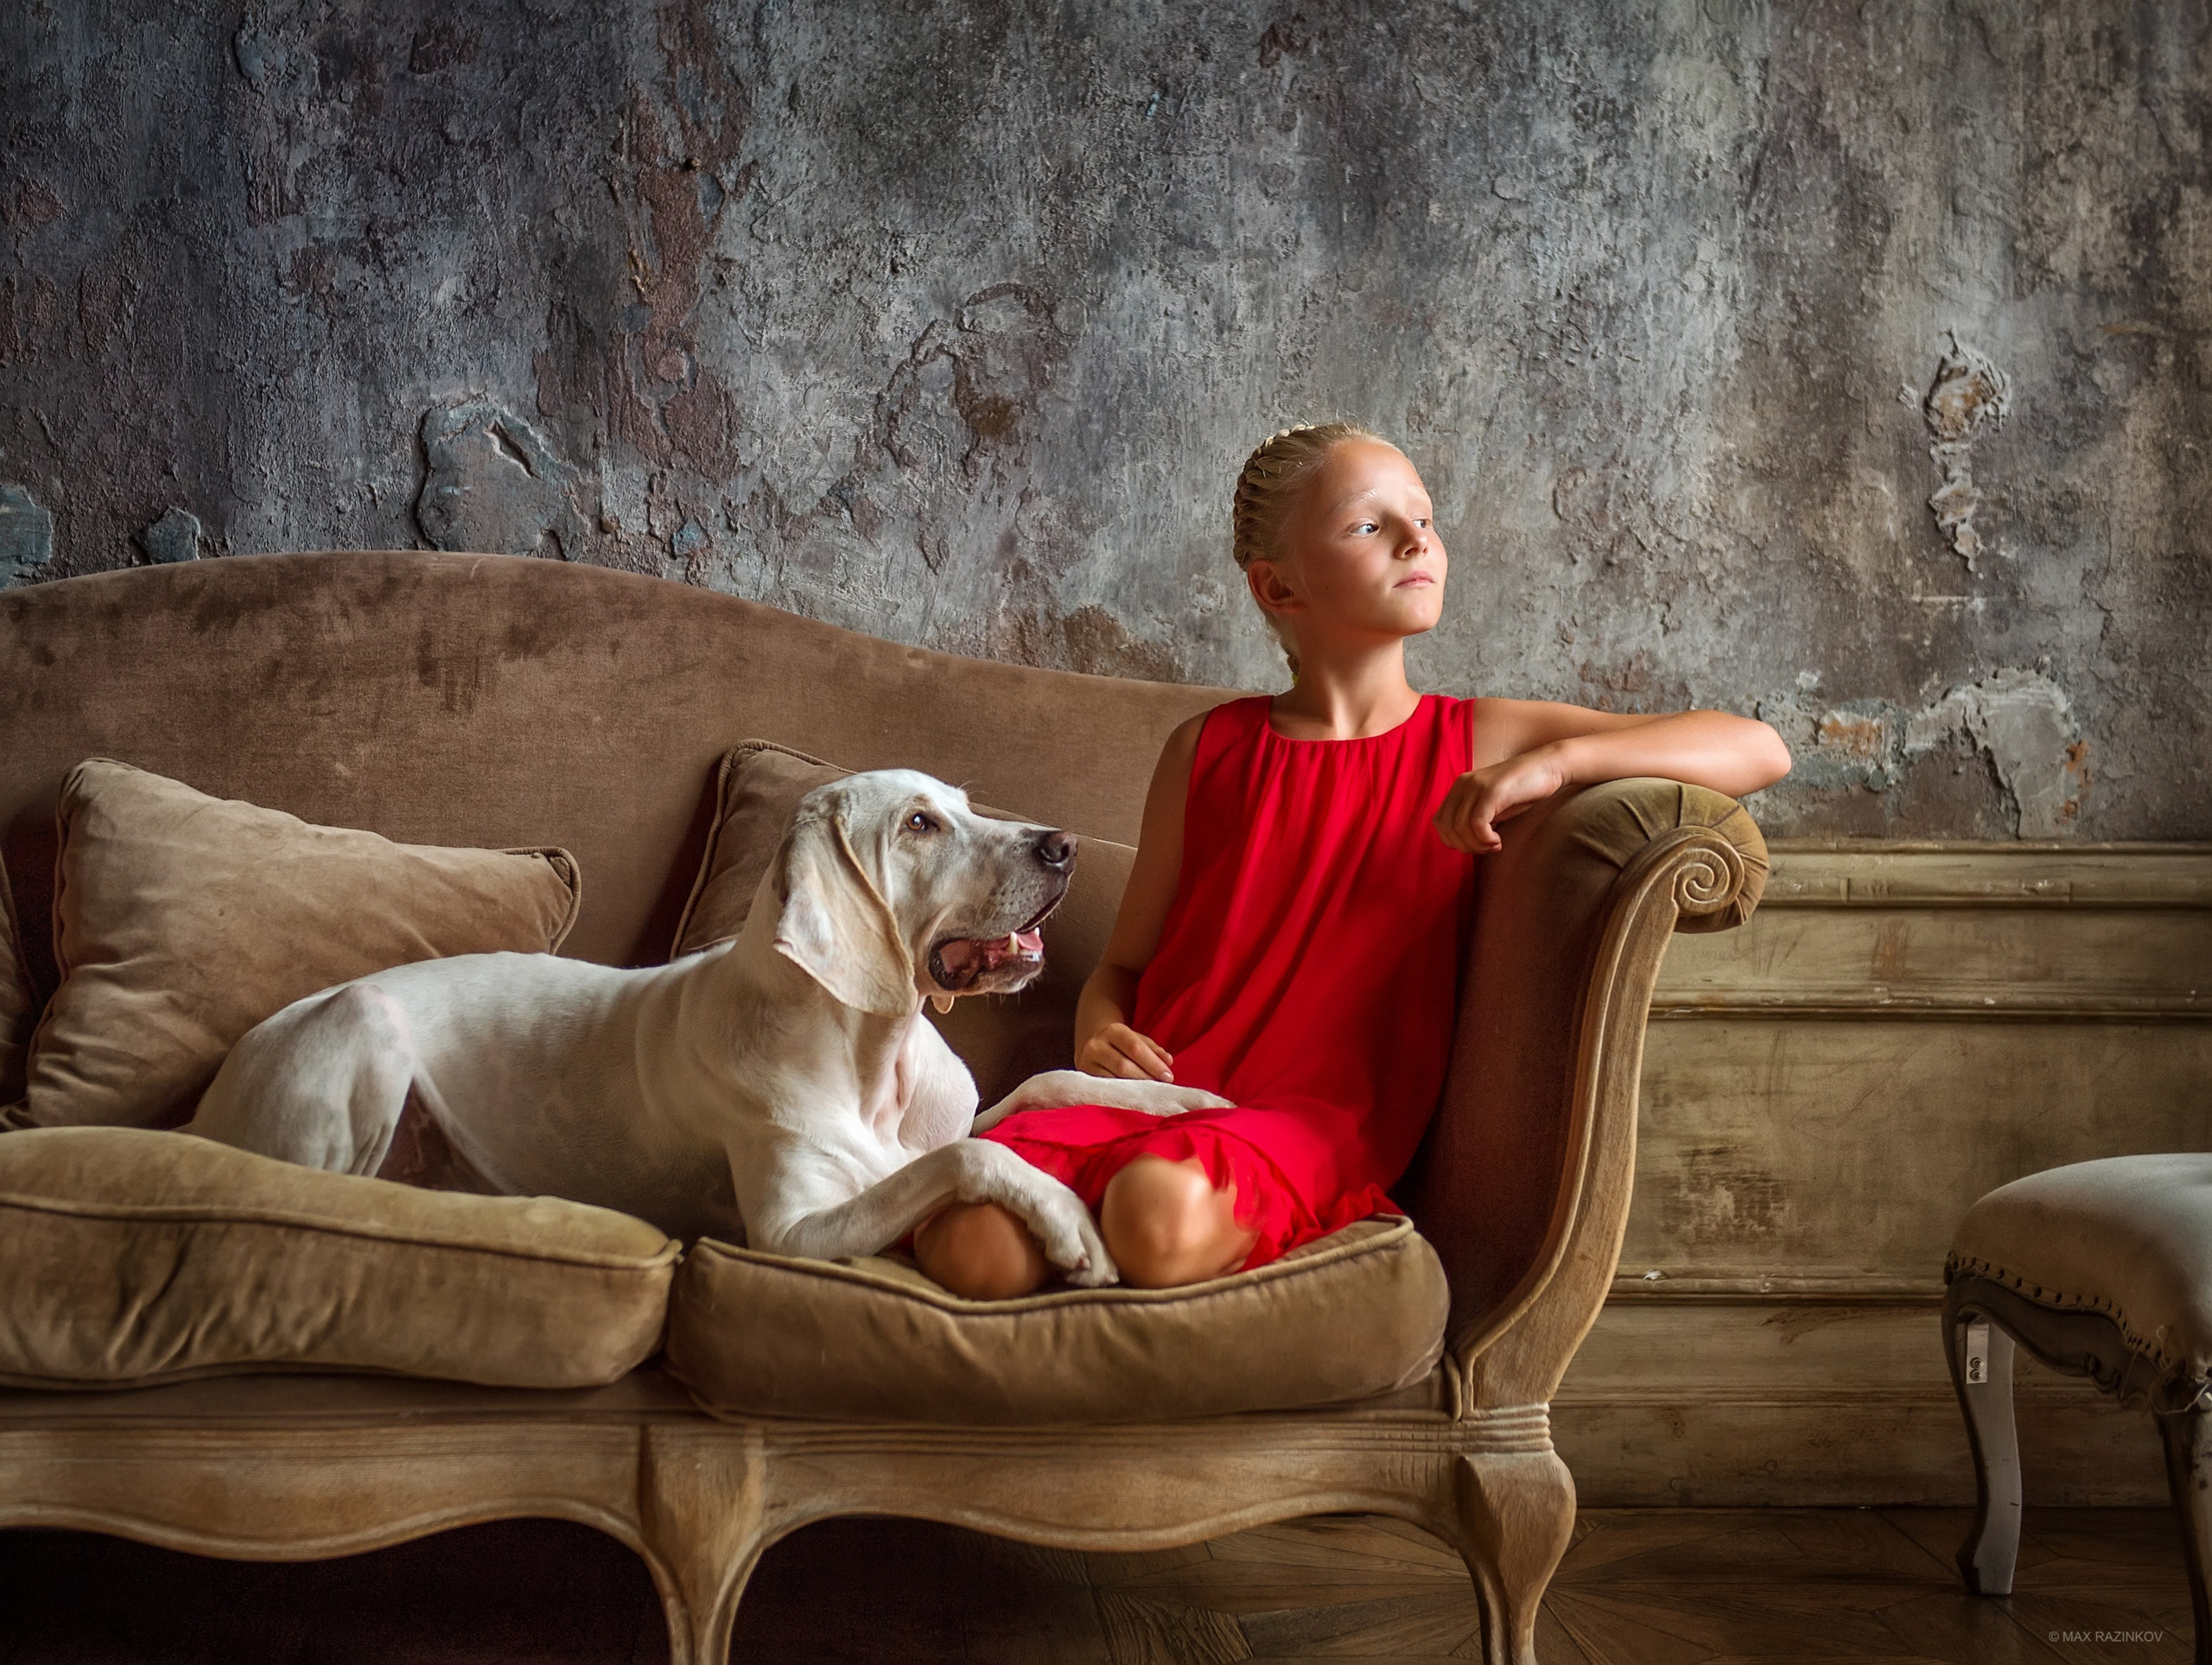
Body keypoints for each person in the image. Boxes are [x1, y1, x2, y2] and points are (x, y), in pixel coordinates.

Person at [913, 423, 1792, 1299]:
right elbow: (1124, 965)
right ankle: (1096, 1277)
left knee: (1158, 1212)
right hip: (1157, 1093)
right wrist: (1096, 1031)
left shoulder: (1471, 737)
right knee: (966, 1240)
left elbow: (1756, 748)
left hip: (1304, 1119)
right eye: (1369, 526)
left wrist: (1557, 763)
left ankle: (1112, 1258)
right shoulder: (1205, 748)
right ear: (1278, 585)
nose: (1418, 540)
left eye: (1424, 517)